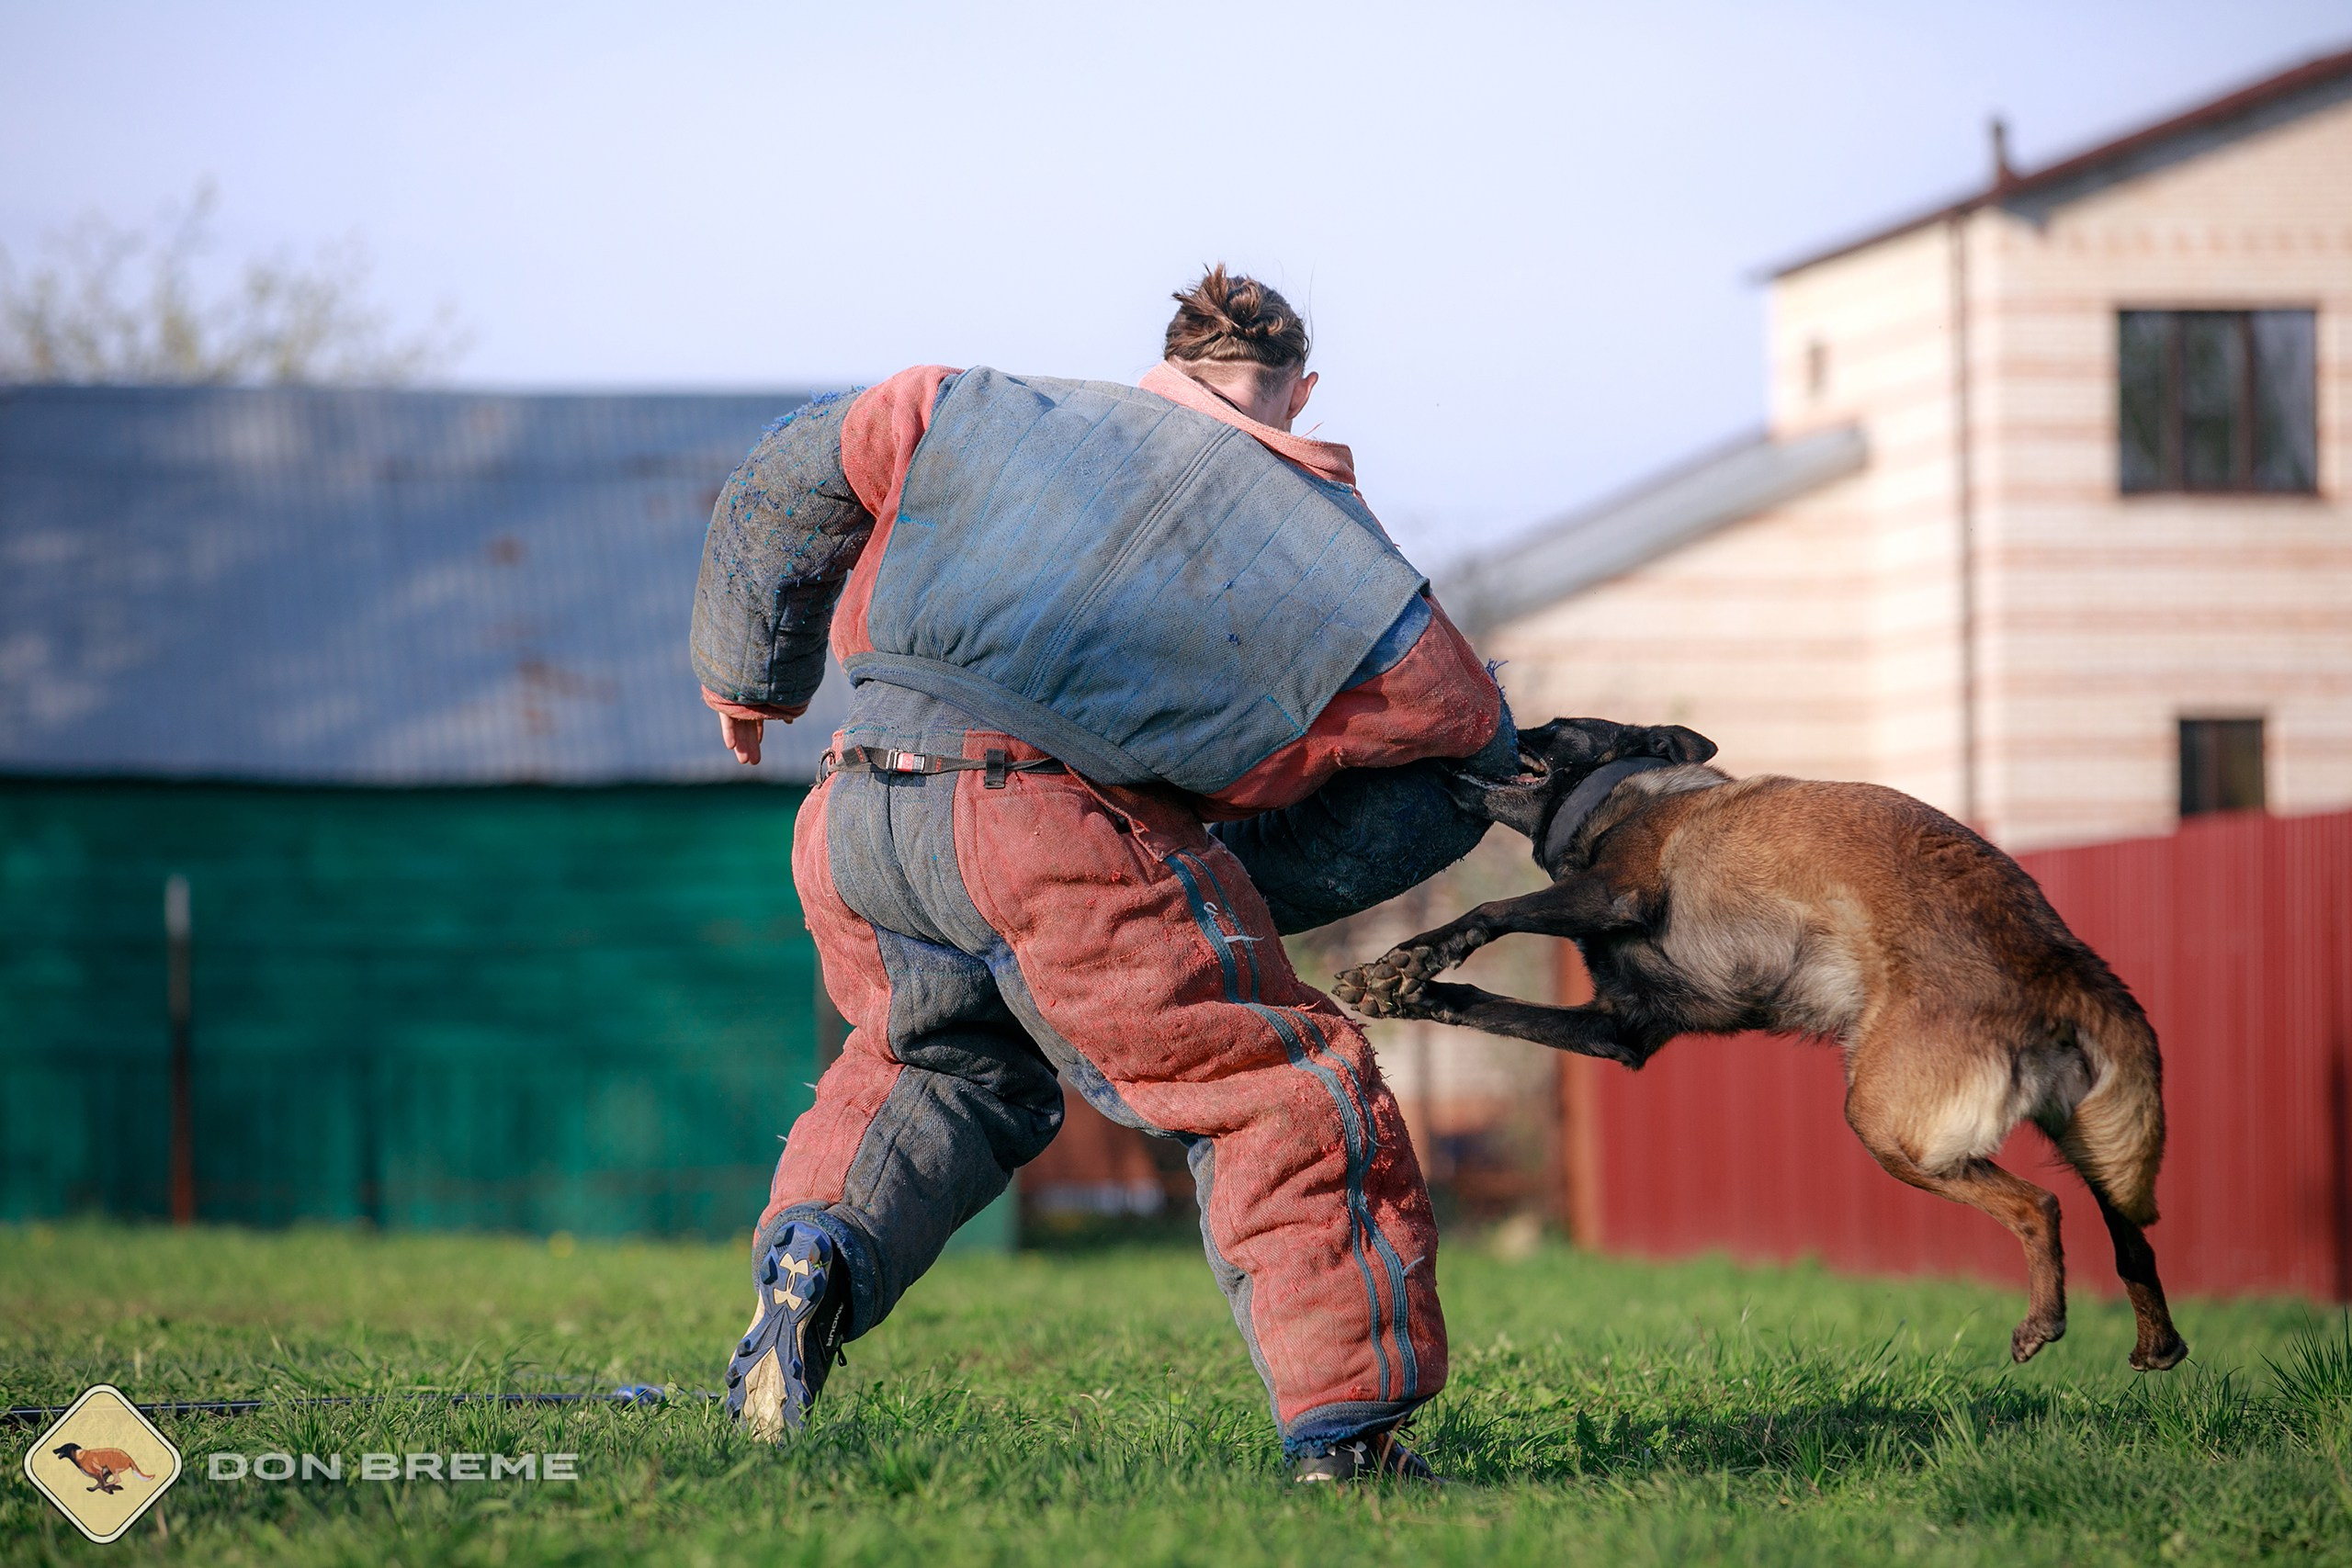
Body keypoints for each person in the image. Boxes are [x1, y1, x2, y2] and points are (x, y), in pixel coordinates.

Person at [691, 266, 1516, 1483]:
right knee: (1279, 1087)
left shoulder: (976, 403)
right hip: (1052, 827)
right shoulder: (1328, 546)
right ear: (1302, 390)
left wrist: (751, 680)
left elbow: (794, 466)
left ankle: (811, 1262)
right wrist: (1243, 884)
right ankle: (1351, 1438)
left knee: (939, 1065)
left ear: (1166, 365)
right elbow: (1461, 748)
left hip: (858, 798)